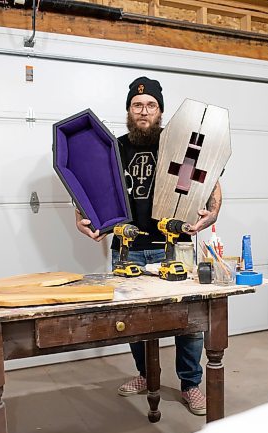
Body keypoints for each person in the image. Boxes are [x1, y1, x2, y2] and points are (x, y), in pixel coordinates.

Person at [75, 76, 222, 415]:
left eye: (151, 106)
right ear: (129, 110)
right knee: (133, 321)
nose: (144, 111)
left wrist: (213, 212)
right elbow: (88, 190)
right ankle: (146, 374)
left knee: (188, 321)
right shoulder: (113, 148)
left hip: (174, 245)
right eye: (137, 105)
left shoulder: (181, 147)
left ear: (161, 111)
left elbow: (210, 180)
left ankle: (191, 384)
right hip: (127, 247)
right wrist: (80, 216)